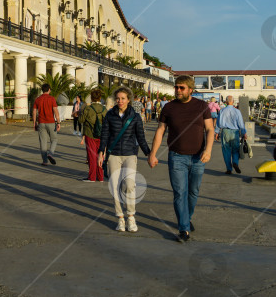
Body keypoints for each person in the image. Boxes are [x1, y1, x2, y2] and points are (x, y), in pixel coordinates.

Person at [148, 75, 214, 243]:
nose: (178, 90)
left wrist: (208, 150)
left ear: (190, 89)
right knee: (179, 193)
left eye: (181, 88)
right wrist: (153, 154)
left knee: (193, 192)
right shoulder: (169, 108)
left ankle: (187, 217)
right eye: (176, 87)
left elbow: (210, 129)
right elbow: (160, 131)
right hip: (176, 157)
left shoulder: (201, 106)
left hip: (198, 157)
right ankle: (183, 228)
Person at [98, 86, 150, 232]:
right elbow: (105, 135)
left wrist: (149, 154)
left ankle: (131, 216)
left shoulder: (135, 117)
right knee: (114, 186)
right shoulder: (109, 115)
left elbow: (141, 137)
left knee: (129, 184)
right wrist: (101, 152)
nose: (120, 101)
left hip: (130, 154)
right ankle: (120, 218)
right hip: (113, 154)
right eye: (118, 98)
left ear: (129, 100)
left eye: (123, 98)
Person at [215, 95, 247, 175]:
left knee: (226, 150)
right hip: (235, 132)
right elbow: (241, 124)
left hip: (225, 131)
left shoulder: (222, 111)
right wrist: (244, 132)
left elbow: (218, 123)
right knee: (235, 149)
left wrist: (217, 132)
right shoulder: (237, 111)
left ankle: (229, 169)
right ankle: (235, 162)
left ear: (226, 101)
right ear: (233, 102)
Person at [80, 88, 107, 182]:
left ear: (91, 97)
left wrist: (81, 111)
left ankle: (91, 177)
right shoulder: (104, 109)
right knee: (100, 155)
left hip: (90, 134)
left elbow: (81, 120)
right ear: (100, 97)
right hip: (101, 135)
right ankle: (100, 177)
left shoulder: (88, 108)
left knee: (92, 156)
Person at [32, 83, 61, 166]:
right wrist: (58, 122)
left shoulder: (37, 99)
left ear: (42, 90)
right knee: (54, 139)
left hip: (41, 123)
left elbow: (34, 112)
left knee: (43, 142)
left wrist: (34, 123)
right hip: (51, 122)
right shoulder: (51, 99)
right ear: (49, 90)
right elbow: (56, 111)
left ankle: (45, 161)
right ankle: (50, 154)